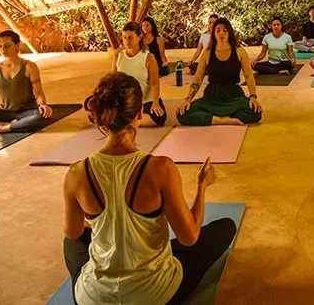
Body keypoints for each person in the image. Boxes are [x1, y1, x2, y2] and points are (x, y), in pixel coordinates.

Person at [63, 73, 237, 305]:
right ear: (139, 114)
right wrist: (201, 186)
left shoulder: (76, 173)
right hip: (157, 295)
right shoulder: (160, 168)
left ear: (101, 117)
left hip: (93, 298)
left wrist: (103, 221)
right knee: (224, 227)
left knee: (71, 242)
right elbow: (190, 237)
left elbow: (73, 233)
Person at [177, 18, 262, 125]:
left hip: (233, 95)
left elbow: (249, 76)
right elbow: (197, 79)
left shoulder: (240, 52)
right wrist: (188, 99)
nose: (221, 33)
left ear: (229, 32)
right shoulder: (207, 53)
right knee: (183, 114)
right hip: (212, 95)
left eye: (225, 30)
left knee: (255, 112)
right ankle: (220, 119)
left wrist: (253, 97)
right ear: (213, 33)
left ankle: (212, 117)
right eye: (218, 30)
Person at [112, 21, 167, 127]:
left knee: (159, 118)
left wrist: (155, 103)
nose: (127, 41)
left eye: (130, 37)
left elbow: (154, 84)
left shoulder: (148, 57)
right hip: (126, 101)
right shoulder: (118, 56)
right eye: (124, 37)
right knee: (97, 110)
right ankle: (130, 119)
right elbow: (112, 81)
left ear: (140, 37)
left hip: (145, 100)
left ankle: (123, 121)